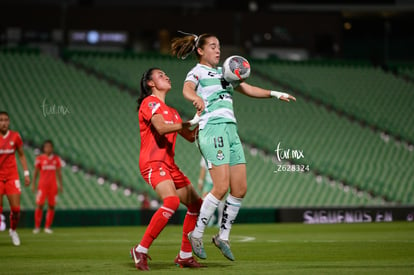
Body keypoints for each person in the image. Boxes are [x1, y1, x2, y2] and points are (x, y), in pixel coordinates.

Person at [171, 32, 296, 261]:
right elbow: (187, 89)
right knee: (220, 187)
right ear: (200, 50)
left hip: (230, 130)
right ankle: (196, 234)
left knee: (239, 189)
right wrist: (195, 99)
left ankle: (222, 237)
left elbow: (246, 89)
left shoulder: (225, 73)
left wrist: (275, 94)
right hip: (212, 128)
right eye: (212, 46)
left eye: (219, 46)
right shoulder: (197, 71)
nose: (218, 50)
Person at [130, 68, 203, 271]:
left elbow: (189, 137)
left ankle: (185, 256)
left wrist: (204, 119)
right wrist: (190, 122)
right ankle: (140, 250)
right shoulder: (150, 103)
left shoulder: (172, 111)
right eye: (161, 75)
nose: (167, 76)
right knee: (171, 201)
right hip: (153, 163)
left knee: (197, 206)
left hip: (169, 165)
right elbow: (161, 128)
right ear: (151, 83)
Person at [0, 111, 31, 246]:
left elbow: (22, 155)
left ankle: (13, 231)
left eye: (6, 120)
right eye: (1, 120)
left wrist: (26, 173)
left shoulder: (15, 136)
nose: (4, 122)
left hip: (12, 176)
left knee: (16, 210)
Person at [31, 140, 63, 234]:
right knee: (40, 205)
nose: (48, 148)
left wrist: (60, 185)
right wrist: (33, 184)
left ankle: (47, 227)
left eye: (50, 147)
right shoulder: (39, 158)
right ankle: (37, 227)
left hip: (53, 186)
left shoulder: (56, 159)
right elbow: (36, 172)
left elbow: (59, 173)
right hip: (42, 186)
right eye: (46, 147)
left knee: (52, 206)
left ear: (52, 148)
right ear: (44, 148)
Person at [198, 156, 223, 227]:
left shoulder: (218, 152)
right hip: (209, 180)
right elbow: (203, 168)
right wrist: (200, 181)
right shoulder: (204, 154)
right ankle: (211, 218)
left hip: (219, 179)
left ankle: (221, 220)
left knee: (220, 199)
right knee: (204, 199)